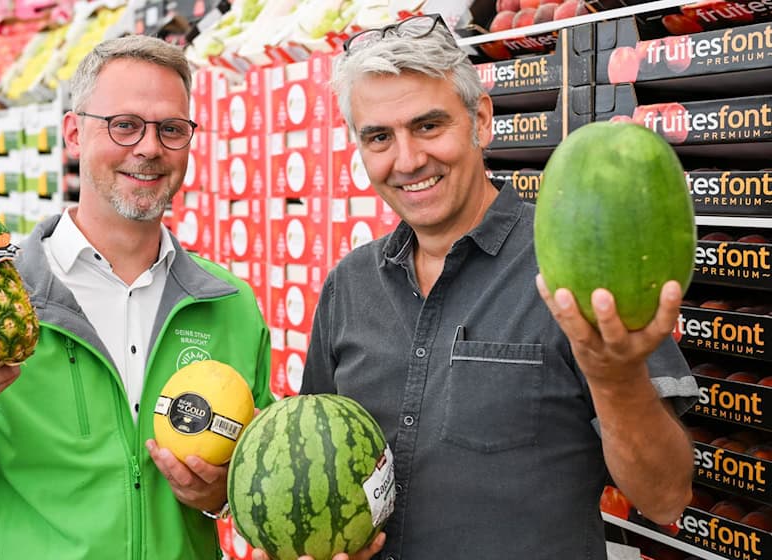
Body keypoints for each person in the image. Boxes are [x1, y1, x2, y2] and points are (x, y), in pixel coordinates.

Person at [256, 14, 698, 560]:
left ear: (481, 120)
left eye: (428, 126)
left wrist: (616, 379)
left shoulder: (576, 266)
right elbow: (314, 478)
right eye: (379, 137)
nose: (408, 159)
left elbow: (666, 497)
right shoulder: (349, 285)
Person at [0, 35, 274, 560]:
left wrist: (220, 495)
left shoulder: (230, 305)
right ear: (74, 134)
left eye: (171, 129)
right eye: (124, 125)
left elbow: (258, 483)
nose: (148, 148)